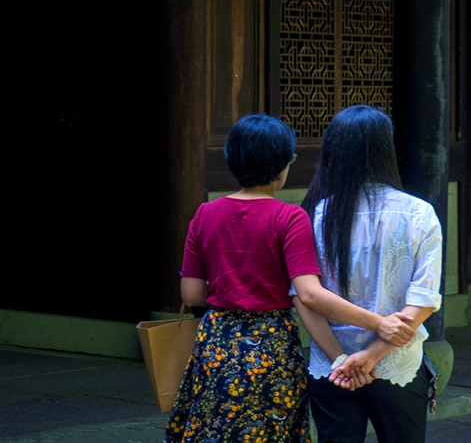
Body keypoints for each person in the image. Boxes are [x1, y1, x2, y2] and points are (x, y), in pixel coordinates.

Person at [169, 114, 415, 443]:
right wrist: (376, 323)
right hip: (271, 344)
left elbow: (192, 294)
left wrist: (233, 286)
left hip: (217, 341)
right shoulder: (290, 217)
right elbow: (308, 294)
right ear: (283, 166)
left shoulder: (205, 213)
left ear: (231, 159)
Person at [300, 105, 445, 443]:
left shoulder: (316, 215)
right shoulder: (419, 214)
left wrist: (342, 359)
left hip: (332, 369)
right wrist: (371, 356)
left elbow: (306, 299)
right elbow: (423, 301)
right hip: (396, 365)